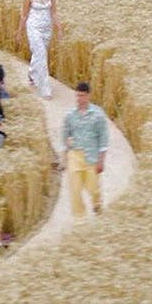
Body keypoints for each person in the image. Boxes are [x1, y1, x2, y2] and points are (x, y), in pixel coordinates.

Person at [61, 82, 109, 218]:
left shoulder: (98, 115)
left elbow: (103, 138)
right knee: (75, 191)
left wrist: (101, 160)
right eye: (77, 96)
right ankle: (79, 219)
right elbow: (65, 136)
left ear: (88, 96)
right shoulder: (70, 115)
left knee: (93, 189)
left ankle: (97, 205)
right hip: (75, 156)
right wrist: (64, 158)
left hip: (91, 157)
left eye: (82, 96)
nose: (79, 99)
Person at [16, 0, 62, 99]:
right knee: (41, 55)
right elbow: (24, 15)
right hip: (33, 27)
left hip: (46, 28)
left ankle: (31, 73)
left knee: (39, 53)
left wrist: (59, 29)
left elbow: (54, 13)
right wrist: (19, 31)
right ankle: (45, 89)